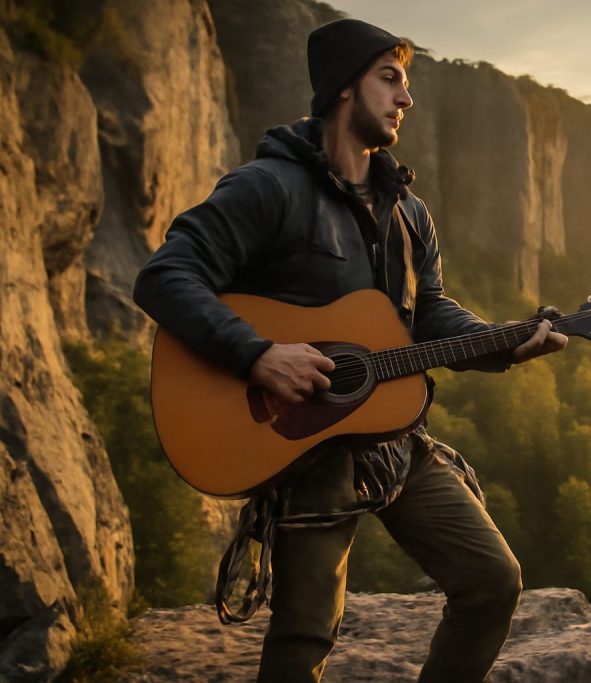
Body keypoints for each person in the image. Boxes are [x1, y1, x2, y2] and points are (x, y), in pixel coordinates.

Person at [133, 18, 567, 683]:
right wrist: (257, 354)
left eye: (407, 83)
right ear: (343, 89)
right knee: (305, 635)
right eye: (389, 78)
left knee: (492, 580)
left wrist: (504, 343)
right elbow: (165, 274)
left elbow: (426, 314)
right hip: (307, 448)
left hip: (395, 436)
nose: (406, 98)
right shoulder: (270, 187)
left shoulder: (408, 211)